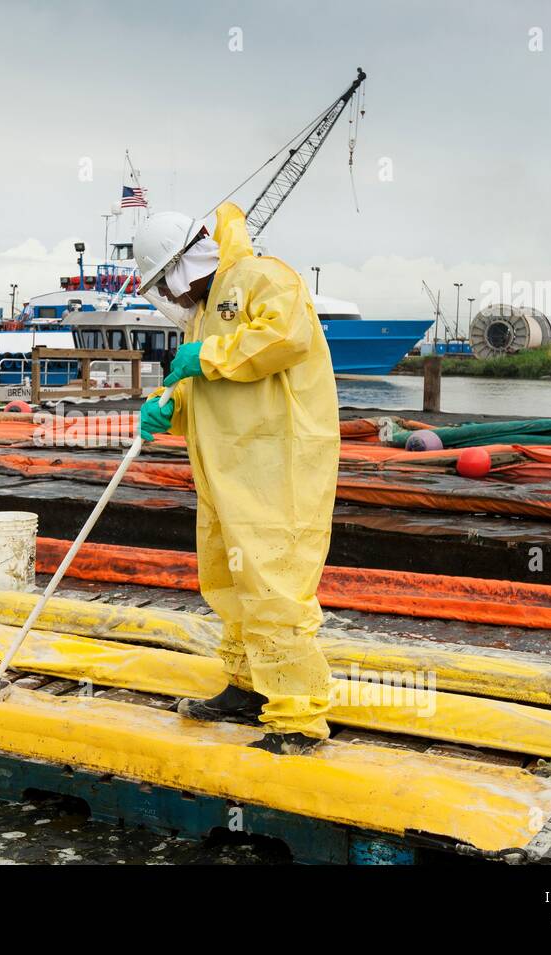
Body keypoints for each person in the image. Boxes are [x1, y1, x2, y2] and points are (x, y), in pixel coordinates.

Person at [131, 202, 340, 755]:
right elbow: (202, 382)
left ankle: (298, 718)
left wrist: (208, 355)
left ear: (181, 264)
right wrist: (165, 406)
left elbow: (285, 338)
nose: (168, 297)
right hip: (227, 473)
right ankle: (248, 687)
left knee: (275, 588)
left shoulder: (262, 278)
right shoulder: (202, 313)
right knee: (230, 582)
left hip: (278, 470)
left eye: (164, 284)